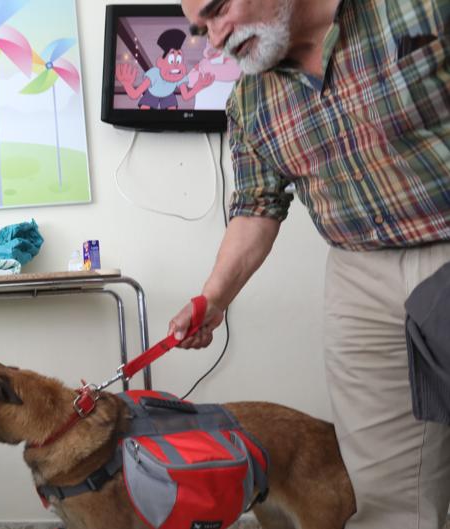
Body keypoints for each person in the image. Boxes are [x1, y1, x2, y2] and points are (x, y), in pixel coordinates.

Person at [170, 0, 450, 527]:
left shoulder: (414, 10)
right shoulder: (249, 102)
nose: (214, 38)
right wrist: (214, 298)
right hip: (357, 274)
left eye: (218, 10)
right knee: (385, 487)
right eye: (201, 27)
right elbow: (256, 208)